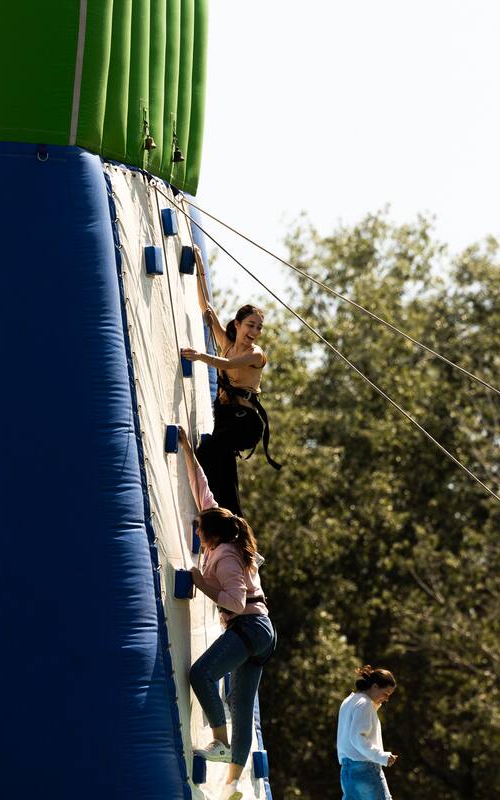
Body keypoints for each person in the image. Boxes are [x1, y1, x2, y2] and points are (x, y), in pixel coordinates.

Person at [179, 429, 277, 800]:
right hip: (261, 631)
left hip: (249, 624)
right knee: (242, 705)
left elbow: (235, 601)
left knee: (201, 674)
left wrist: (200, 582)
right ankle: (234, 785)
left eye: (202, 533)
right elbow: (204, 493)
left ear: (212, 536)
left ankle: (218, 742)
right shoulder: (224, 535)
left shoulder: (227, 556)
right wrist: (189, 452)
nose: (199, 534)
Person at [180, 246, 281, 517]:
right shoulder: (227, 342)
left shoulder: (255, 354)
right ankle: (228, 518)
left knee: (213, 450)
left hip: (245, 423)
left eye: (258, 327)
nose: (255, 332)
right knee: (216, 460)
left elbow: (226, 365)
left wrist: (200, 356)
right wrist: (200, 264)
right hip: (227, 419)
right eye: (250, 325)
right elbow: (207, 309)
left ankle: (230, 519)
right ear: (237, 324)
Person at [337, 665, 398, 800]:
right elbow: (358, 737)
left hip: (347, 769)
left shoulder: (349, 701)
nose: (386, 699)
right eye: (385, 693)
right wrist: (381, 756)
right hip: (365, 768)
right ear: (375, 687)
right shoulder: (365, 704)